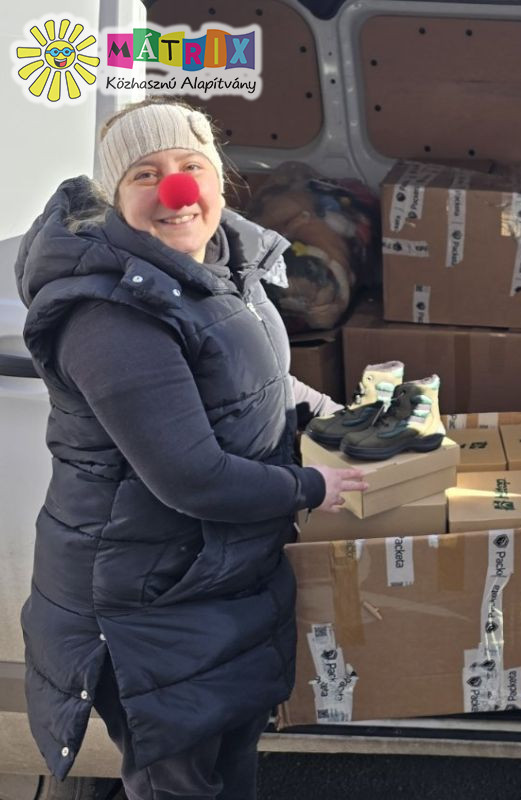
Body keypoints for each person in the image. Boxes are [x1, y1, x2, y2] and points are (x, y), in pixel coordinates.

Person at [15, 99, 367, 800]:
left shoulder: (223, 265)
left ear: (218, 177)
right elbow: (192, 476)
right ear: (115, 195)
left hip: (209, 580)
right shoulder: (110, 316)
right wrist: (310, 488)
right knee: (177, 779)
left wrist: (336, 416)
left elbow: (256, 382)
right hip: (145, 598)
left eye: (191, 167)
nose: (177, 190)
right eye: (147, 175)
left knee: (227, 761)